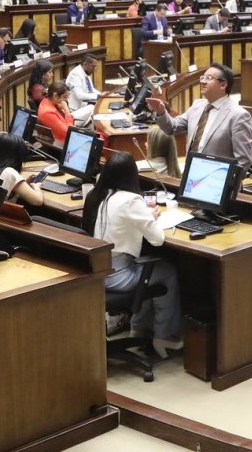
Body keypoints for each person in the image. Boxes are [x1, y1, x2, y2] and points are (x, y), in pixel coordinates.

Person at [81, 152, 182, 355]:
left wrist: (143, 217)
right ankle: (164, 336)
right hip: (118, 276)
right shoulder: (130, 200)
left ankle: (138, 329)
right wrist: (149, 218)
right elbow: (157, 239)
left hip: (95, 272)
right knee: (167, 271)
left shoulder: (95, 194)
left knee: (147, 268)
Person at [147, 62, 252, 169]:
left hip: (217, 180)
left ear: (223, 85)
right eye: (202, 77)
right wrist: (161, 111)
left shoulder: (238, 115)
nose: (202, 81)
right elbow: (172, 128)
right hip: (191, 175)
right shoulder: (197, 106)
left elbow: (243, 161)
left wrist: (224, 183)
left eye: (208, 78)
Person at [0, 134, 44, 206]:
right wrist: (37, 187)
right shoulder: (10, 173)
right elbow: (38, 201)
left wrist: (23, 182)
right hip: (2, 215)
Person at [65, 54, 100, 126]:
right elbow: (79, 95)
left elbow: (91, 89)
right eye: (93, 66)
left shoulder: (85, 72)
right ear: (85, 64)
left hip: (84, 106)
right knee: (94, 111)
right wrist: (98, 96)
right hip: (75, 110)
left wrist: (102, 94)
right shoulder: (75, 74)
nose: (95, 69)